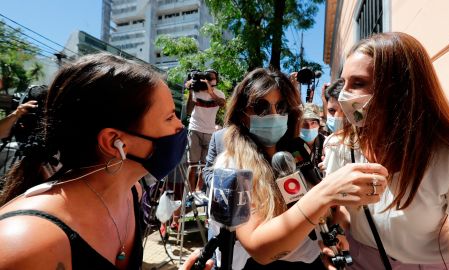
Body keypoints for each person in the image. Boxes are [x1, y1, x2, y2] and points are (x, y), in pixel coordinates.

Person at [0, 53, 187, 270]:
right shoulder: (30, 244)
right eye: (170, 117)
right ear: (114, 142)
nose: (180, 127)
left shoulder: (131, 193)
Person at [323, 32, 449, 269]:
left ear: (399, 89)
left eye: (358, 83)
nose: (344, 95)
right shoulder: (339, 147)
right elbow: (337, 209)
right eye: (343, 83)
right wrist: (335, 239)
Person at [210, 67, 388, 269]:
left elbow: (326, 213)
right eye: (261, 107)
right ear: (243, 114)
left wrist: (333, 233)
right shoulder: (229, 166)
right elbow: (259, 249)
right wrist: (325, 193)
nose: (274, 114)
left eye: (282, 106)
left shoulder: (297, 153)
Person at [185, 69, 225, 208]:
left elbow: (223, 104)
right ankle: (190, 193)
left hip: (209, 132)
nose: (209, 80)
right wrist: (190, 91)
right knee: (192, 164)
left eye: (212, 78)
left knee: (204, 164)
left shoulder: (219, 94)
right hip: (194, 128)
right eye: (207, 78)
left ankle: (198, 191)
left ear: (216, 80)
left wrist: (210, 92)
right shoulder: (196, 91)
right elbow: (188, 111)